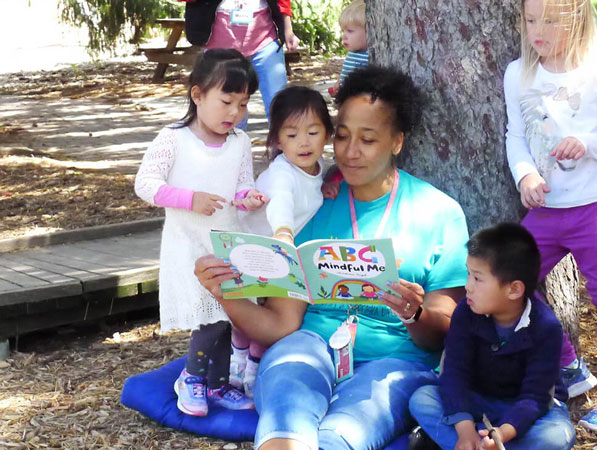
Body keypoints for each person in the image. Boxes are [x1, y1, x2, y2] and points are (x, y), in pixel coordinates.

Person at [194, 65, 470, 450]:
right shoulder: (309, 205)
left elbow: (442, 332)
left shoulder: (439, 212)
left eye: (368, 140)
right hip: (309, 345)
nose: (350, 153)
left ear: (397, 142)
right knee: (285, 412)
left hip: (396, 362)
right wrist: (225, 291)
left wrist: (414, 313)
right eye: (341, 137)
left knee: (341, 435)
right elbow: (279, 327)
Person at [504, 0, 597, 432]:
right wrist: (525, 175)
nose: (537, 31)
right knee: (514, 283)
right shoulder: (519, 74)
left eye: (549, 21)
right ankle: (569, 367)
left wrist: (585, 142)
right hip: (547, 211)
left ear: (576, 20)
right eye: (530, 20)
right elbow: (516, 134)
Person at [134, 49, 266, 416]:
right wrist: (189, 198)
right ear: (197, 95)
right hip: (189, 245)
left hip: (227, 241)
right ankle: (191, 377)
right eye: (226, 101)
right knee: (209, 317)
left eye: (243, 104)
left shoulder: (239, 142)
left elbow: (241, 185)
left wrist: (249, 198)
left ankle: (217, 382)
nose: (234, 113)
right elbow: (145, 185)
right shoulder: (174, 139)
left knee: (230, 316)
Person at [409, 223, 575, 450]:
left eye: (477, 278)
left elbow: (536, 397)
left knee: (557, 436)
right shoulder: (466, 312)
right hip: (478, 400)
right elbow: (454, 374)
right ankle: (468, 442)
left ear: (514, 289)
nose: (467, 286)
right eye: (468, 274)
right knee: (423, 398)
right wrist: (465, 429)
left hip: (530, 410)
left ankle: (467, 443)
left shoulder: (545, 327)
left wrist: (504, 433)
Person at [231, 86, 335, 397]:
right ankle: (237, 359)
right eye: (291, 135)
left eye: (313, 132)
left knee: (271, 314)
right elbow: (282, 202)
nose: (304, 142)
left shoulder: (318, 171)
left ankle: (254, 365)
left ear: (328, 134)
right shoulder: (281, 174)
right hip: (256, 247)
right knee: (250, 314)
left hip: (278, 252)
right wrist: (284, 231)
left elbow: (312, 188)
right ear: (277, 140)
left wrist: (324, 189)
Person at [188, 0, 301, 128]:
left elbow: (283, 2)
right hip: (220, 47)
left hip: (264, 41)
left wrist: (288, 30)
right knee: (229, 105)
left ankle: (281, 146)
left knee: (279, 105)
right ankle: (234, 145)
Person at [328, 0, 368, 97]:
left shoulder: (370, 56)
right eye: (343, 31)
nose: (344, 36)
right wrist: (338, 84)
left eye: (350, 31)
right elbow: (346, 72)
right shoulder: (352, 54)